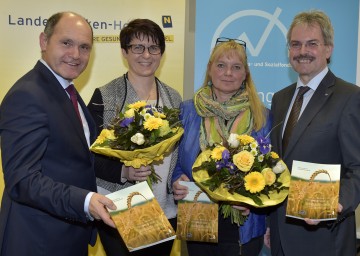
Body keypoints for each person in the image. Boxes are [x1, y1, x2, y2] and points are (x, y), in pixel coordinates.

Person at [0, 11, 117, 256]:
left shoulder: (66, 90)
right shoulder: (28, 95)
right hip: (38, 239)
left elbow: (73, 159)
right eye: (67, 43)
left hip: (67, 234)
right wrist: (85, 202)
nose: (76, 55)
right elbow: (22, 179)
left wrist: (123, 172)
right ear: (44, 42)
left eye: (84, 47)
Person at [268, 10, 360, 256]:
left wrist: (336, 204)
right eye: (295, 44)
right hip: (279, 236)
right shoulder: (280, 99)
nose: (302, 51)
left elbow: (357, 167)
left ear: (328, 49)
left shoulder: (350, 97)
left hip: (324, 238)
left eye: (312, 44)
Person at [87, 18, 182, 255]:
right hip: (118, 208)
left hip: (164, 210)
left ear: (162, 52)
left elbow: (180, 151)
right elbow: (88, 154)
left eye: (154, 48)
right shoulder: (106, 96)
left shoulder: (173, 97)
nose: (146, 55)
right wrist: (123, 171)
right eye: (137, 48)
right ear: (124, 52)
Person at [172, 38, 270, 256]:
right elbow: (177, 161)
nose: (228, 73)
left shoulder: (261, 115)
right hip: (198, 222)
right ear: (209, 69)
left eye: (236, 67)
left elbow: (270, 173)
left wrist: (252, 203)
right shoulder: (188, 111)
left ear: (245, 74)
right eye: (221, 65)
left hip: (242, 228)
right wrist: (176, 181)